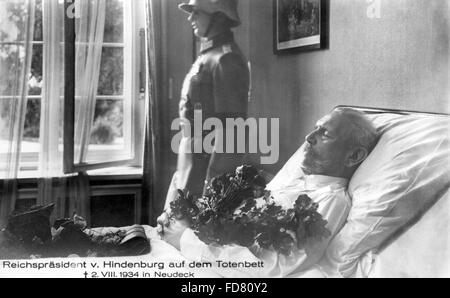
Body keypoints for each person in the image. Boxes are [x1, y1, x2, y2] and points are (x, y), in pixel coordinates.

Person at [158, 108, 379, 278]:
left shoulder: (330, 199)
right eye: (315, 128)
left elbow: (272, 267)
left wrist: (185, 239)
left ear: (354, 156)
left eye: (325, 134)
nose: (309, 137)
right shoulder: (295, 184)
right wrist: (189, 223)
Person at [163, 0, 250, 211]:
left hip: (205, 172)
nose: (190, 17)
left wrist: (213, 192)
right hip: (190, 162)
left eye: (197, 13)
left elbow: (231, 132)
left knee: (186, 236)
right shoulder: (208, 56)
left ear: (219, 16)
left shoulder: (226, 59)